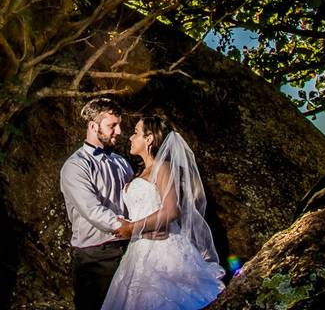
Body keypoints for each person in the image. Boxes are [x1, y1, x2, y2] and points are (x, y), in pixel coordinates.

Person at [102, 115, 225, 310]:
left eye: (136, 133)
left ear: (149, 139)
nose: (130, 138)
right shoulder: (140, 172)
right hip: (138, 251)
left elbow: (170, 210)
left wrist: (133, 227)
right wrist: (130, 226)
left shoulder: (163, 168)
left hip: (164, 251)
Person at [60, 98, 135, 310]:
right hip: (94, 256)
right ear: (93, 126)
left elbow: (135, 199)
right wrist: (130, 227)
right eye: (113, 125)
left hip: (129, 248)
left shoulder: (121, 163)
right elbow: (92, 210)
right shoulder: (75, 166)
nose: (119, 131)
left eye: (119, 125)